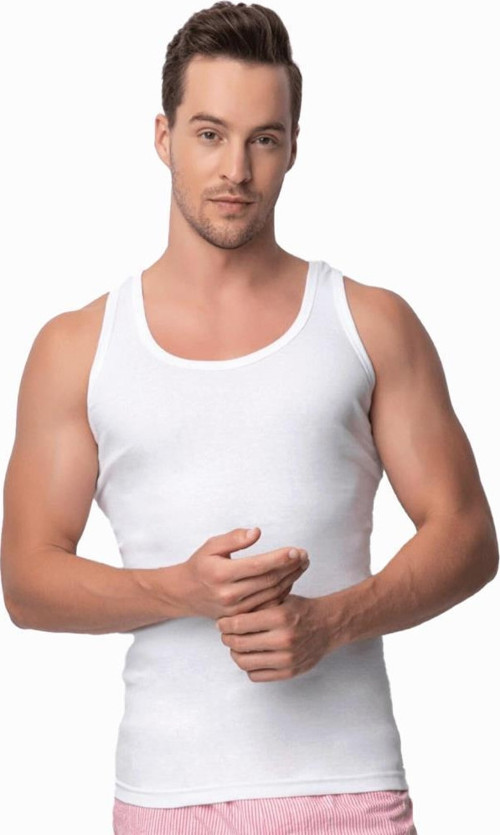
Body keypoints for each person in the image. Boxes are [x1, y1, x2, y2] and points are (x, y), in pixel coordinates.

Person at [1, 2, 498, 833]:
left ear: (293, 146)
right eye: (209, 134)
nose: (236, 168)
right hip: (165, 799)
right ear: (163, 137)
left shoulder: (369, 323)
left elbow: (469, 534)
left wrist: (333, 621)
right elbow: (26, 580)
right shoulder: (77, 347)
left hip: (348, 789)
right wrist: (178, 588)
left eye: (263, 138)